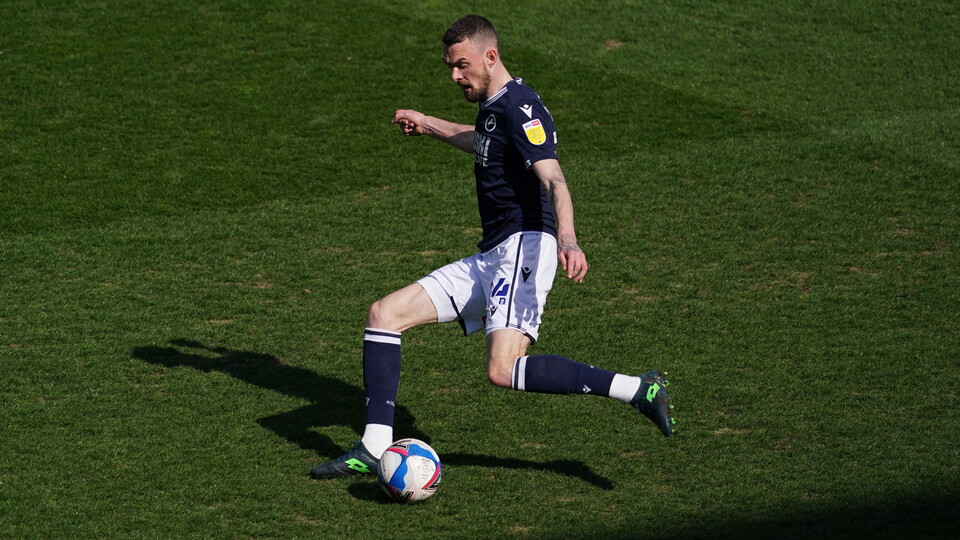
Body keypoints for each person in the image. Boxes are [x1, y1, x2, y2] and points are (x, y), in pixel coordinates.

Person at [311, 14, 673, 479]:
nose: (454, 76)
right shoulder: (492, 105)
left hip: (525, 245)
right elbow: (481, 141)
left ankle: (637, 389)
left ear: (490, 56)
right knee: (384, 314)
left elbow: (555, 179)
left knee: (503, 369)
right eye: (449, 67)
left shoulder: (521, 108)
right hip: (491, 254)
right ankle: (374, 446)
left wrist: (569, 239)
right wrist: (428, 124)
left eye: (461, 66)